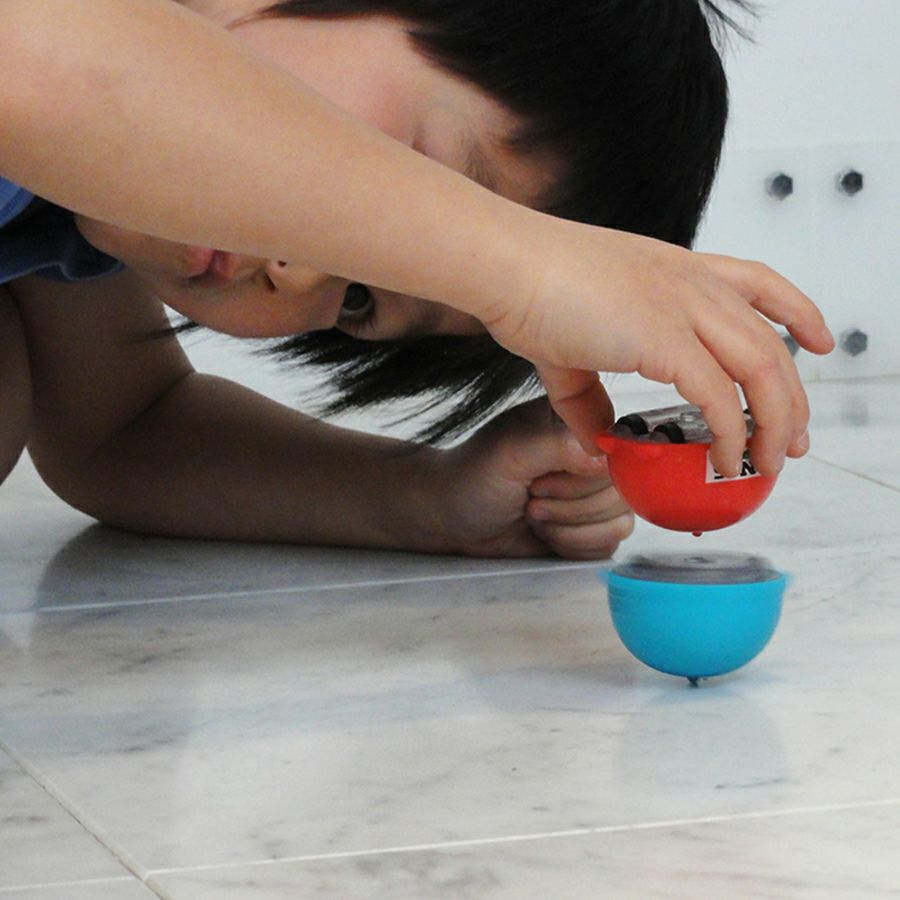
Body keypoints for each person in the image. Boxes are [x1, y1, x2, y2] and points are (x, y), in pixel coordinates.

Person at [0, 0, 833, 559]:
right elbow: (39, 62)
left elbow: (122, 426)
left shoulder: (73, 211)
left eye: (360, 298)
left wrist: (426, 499)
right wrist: (524, 270)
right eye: (398, 175)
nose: (298, 266)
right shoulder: (56, 64)